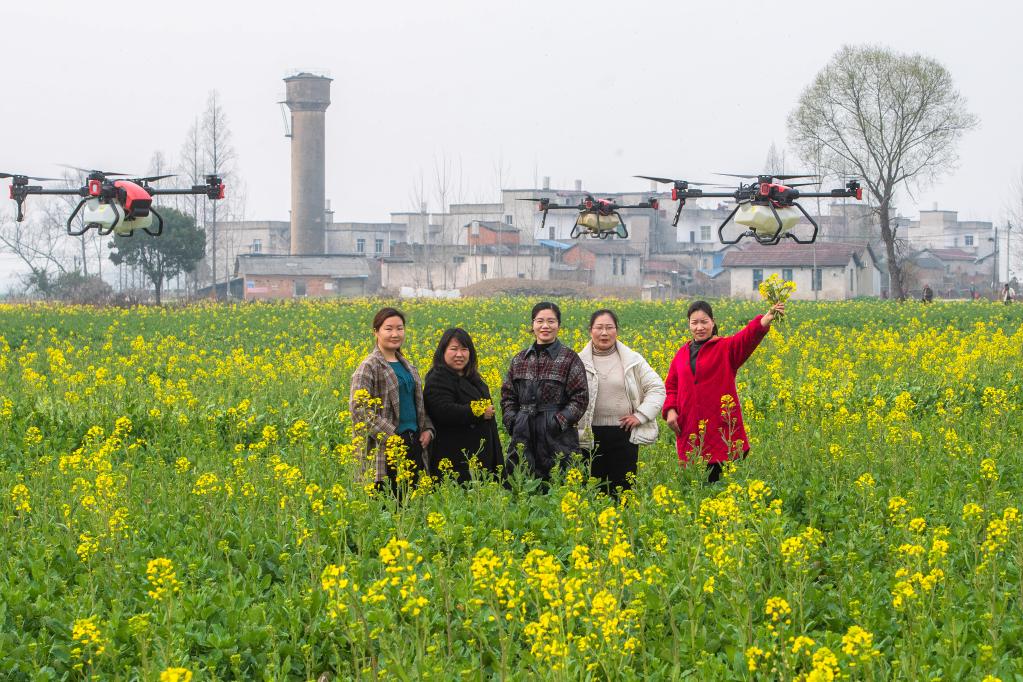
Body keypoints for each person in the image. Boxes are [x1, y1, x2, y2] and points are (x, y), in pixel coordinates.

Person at [662, 300, 784, 483]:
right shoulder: (681, 354)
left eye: (704, 322)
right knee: (695, 488)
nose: (699, 327)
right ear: (688, 324)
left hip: (720, 430)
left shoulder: (726, 348)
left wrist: (766, 318)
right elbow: (671, 385)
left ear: (713, 322)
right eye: (694, 323)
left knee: (723, 486)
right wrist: (670, 410)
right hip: (690, 431)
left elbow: (747, 338)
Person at [576, 309, 665, 496]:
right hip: (589, 435)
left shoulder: (633, 359)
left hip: (624, 433)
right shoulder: (577, 361)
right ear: (590, 330)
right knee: (593, 492)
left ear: (617, 330)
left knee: (623, 492)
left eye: (609, 327)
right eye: (599, 327)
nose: (604, 333)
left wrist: (641, 415)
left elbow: (657, 388)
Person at [500, 301, 588, 483]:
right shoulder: (520, 359)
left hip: (558, 437)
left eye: (551, 321)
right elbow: (508, 396)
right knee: (521, 485)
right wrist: (513, 422)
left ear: (559, 326)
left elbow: (580, 397)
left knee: (559, 485)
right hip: (523, 431)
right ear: (533, 325)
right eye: (540, 321)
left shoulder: (569, 358)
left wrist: (558, 422)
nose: (545, 326)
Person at [349, 307, 434, 493]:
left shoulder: (408, 366)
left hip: (414, 443)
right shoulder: (369, 366)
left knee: (411, 506)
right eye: (388, 329)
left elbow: (418, 404)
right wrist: (391, 436)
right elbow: (358, 410)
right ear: (376, 332)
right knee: (388, 503)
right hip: (385, 447)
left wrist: (427, 428)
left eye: (400, 328)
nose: (395, 334)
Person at [423, 328, 503, 482]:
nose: (459, 354)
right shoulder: (438, 377)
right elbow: (443, 410)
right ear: (443, 352)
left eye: (464, 349)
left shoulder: (473, 377)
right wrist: (478, 412)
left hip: (480, 455)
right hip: (455, 458)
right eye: (453, 349)